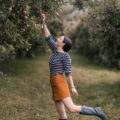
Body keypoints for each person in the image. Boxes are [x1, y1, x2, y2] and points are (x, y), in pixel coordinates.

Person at [40, 10, 107, 120]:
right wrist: (43, 21)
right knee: (61, 111)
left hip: (59, 81)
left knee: (71, 108)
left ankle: (96, 111)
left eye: (60, 38)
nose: (58, 38)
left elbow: (68, 72)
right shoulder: (55, 50)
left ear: (63, 44)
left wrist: (72, 87)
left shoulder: (65, 56)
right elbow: (48, 37)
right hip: (53, 82)